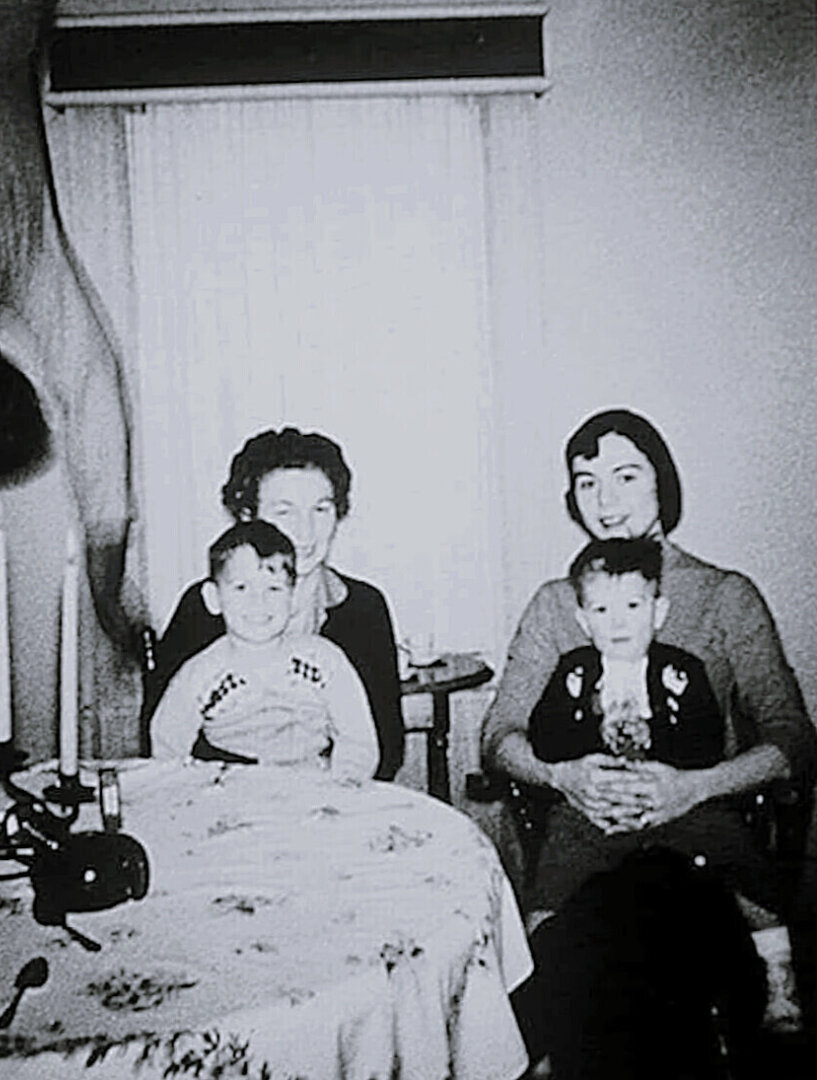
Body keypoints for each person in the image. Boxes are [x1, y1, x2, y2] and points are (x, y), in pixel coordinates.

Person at [482, 408, 817, 1073]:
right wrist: (562, 776)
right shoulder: (557, 604)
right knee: (576, 961)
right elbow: (498, 736)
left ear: (663, 481)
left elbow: (793, 739)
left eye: (625, 476)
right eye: (586, 482)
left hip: (697, 837)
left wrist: (693, 787)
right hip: (586, 827)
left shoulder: (723, 596)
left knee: (666, 941)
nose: (604, 500)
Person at [145, 427, 404, 780]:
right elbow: (163, 743)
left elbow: (385, 748)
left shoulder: (364, 608)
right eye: (285, 511)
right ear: (248, 516)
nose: (306, 531)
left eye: (321, 509)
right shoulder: (205, 606)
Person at [528, 537, 729, 912]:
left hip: (674, 805)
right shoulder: (574, 672)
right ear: (583, 620)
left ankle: (770, 938)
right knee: (560, 851)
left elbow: (707, 744)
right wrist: (590, 734)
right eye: (601, 609)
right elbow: (545, 740)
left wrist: (657, 737)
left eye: (633, 606)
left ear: (658, 611)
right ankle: (542, 933)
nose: (618, 622)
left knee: (727, 840)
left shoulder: (683, 670)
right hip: (592, 810)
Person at [149, 520, 379, 782]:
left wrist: (345, 785)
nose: (258, 602)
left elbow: (358, 740)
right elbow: (167, 751)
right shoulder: (198, 674)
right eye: (241, 588)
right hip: (232, 789)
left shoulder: (325, 660)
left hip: (316, 785)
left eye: (273, 589)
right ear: (213, 598)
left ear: (293, 597)